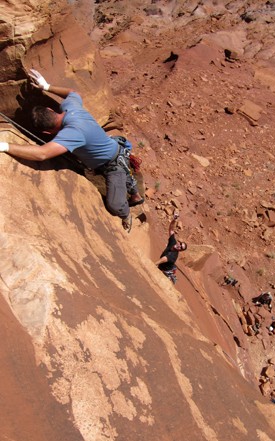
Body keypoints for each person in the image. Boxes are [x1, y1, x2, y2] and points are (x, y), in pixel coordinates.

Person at [0, 69, 143, 231]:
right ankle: (134, 192)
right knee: (120, 172)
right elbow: (74, 92)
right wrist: (46, 87)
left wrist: (5, 146)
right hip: (112, 149)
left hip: (112, 162)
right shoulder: (70, 108)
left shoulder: (72, 134)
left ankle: (126, 214)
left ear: (46, 133)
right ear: (51, 110)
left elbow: (42, 154)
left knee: (115, 204)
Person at [155, 211, 187, 284]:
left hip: (164, 269)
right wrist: (174, 220)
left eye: (181, 247)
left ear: (180, 250)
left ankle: (170, 275)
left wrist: (154, 264)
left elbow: (164, 259)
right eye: (181, 244)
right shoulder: (173, 243)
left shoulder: (173, 255)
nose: (179, 245)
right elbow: (171, 230)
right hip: (164, 265)